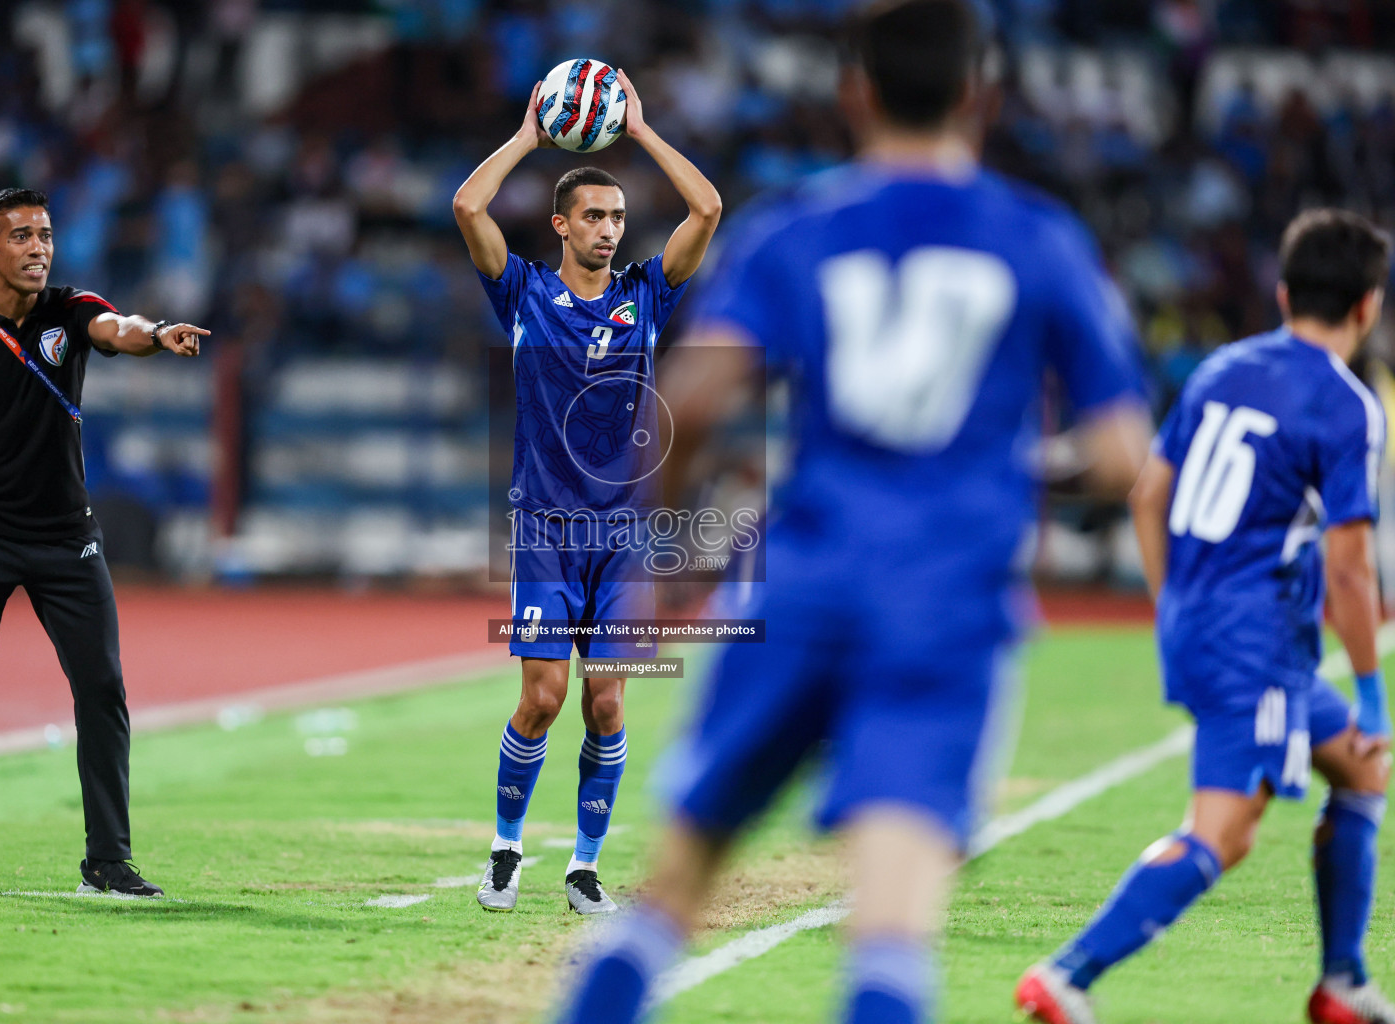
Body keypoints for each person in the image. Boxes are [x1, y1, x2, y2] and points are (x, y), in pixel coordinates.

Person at [554, 0, 1153, 1020]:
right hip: (945, 605)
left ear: (854, 92)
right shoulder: (1038, 239)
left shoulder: (799, 229)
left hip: (804, 580)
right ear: (981, 95)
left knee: (671, 894)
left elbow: (689, 403)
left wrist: (659, 553)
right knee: (890, 932)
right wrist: (1006, 469)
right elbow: (1118, 457)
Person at [1017, 210, 1394, 1024]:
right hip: (1254, 643)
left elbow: (1148, 491)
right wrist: (1371, 691)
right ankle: (1067, 974)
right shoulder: (1349, 404)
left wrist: (1173, 602)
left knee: (1361, 773)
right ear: (1368, 307)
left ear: (1285, 292)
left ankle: (1342, 984)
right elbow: (1352, 571)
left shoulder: (1223, 368)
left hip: (1222, 629)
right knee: (1224, 831)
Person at [0, 187, 208, 898]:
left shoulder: (71, 309)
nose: (39, 248)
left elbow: (117, 328)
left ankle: (108, 862)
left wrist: (155, 335)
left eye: (46, 234)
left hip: (68, 538)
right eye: (22, 236)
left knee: (102, 687)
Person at [452, 69, 721, 914]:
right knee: (543, 696)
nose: (610, 230)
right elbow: (467, 207)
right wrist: (530, 137)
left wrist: (639, 129)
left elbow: (707, 210)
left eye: (617, 218)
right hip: (545, 528)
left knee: (606, 701)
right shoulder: (523, 292)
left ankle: (584, 865)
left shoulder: (647, 295)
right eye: (594, 217)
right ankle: (504, 849)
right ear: (562, 224)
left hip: (627, 534)